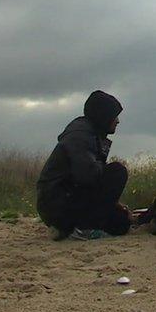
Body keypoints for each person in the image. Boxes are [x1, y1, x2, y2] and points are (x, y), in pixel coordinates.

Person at [36, 90, 131, 240]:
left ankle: (70, 228)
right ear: (103, 116)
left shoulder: (90, 132)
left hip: (65, 199)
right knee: (117, 172)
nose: (117, 121)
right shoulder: (80, 136)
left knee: (121, 222)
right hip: (58, 203)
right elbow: (87, 176)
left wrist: (113, 203)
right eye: (114, 116)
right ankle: (81, 229)